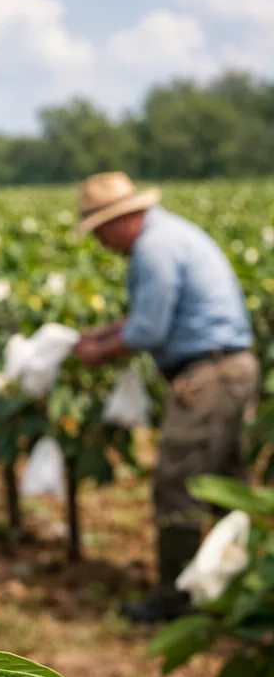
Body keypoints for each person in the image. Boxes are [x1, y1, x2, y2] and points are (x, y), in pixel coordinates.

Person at [73, 172, 258, 623]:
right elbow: (148, 319)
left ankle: (175, 597)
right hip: (230, 367)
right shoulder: (170, 235)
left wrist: (99, 352)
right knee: (229, 486)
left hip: (208, 375)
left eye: (99, 230)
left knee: (180, 485)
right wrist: (104, 333)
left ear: (120, 220)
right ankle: (244, 591)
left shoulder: (153, 250)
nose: (99, 241)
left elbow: (148, 330)